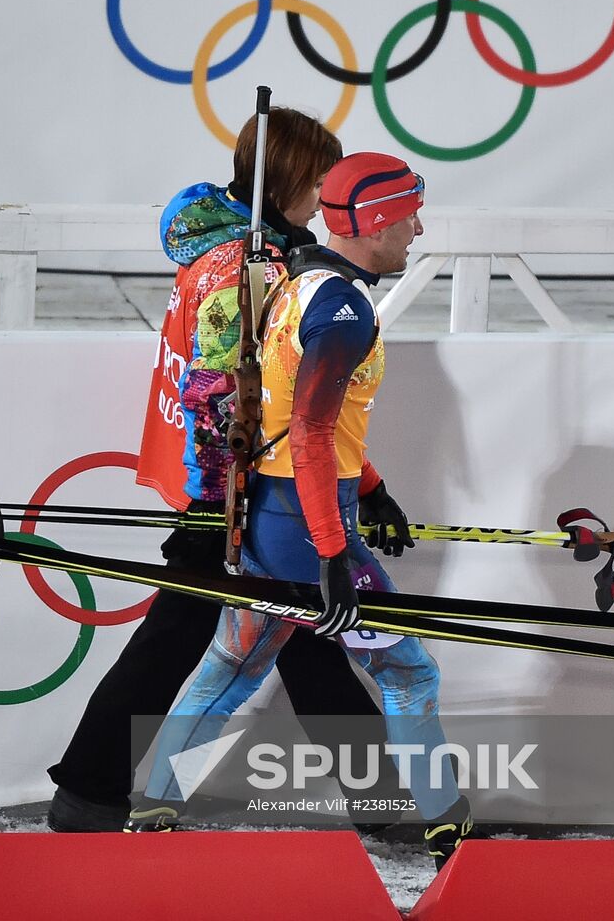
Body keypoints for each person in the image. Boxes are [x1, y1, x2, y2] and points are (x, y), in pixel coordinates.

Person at [46, 108, 402, 835]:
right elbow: (250, 403)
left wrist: (365, 485)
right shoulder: (254, 268)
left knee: (290, 634)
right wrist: (230, 509)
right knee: (217, 632)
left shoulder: (224, 250)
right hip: (235, 491)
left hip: (226, 486)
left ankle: (88, 790)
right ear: (295, 179)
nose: (328, 195)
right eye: (322, 178)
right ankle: (87, 787)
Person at [135, 152, 475, 869]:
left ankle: (154, 804)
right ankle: (449, 825)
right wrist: (333, 556)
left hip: (270, 516)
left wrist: (373, 487)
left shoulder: (300, 283)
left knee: (234, 665)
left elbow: (300, 415)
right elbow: (315, 434)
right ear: (376, 221)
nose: (418, 227)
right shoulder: (345, 309)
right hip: (308, 527)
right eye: (409, 212)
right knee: (408, 673)